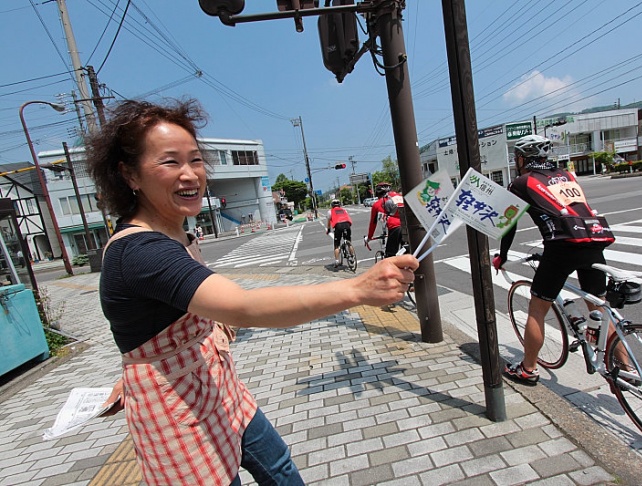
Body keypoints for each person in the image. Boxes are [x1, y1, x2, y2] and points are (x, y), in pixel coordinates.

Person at [87, 98, 418, 486]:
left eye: (195, 160)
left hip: (216, 384)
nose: (190, 174)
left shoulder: (175, 231)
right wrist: (358, 288)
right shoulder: (139, 250)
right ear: (129, 175)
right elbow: (243, 306)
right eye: (170, 162)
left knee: (278, 466)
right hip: (176, 413)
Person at [492, 134, 615, 386]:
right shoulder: (566, 175)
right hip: (594, 239)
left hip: (561, 247)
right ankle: (625, 369)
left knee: (538, 309)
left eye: (517, 157)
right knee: (600, 307)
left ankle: (528, 370)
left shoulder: (522, 181)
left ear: (522, 158)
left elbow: (509, 223)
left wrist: (502, 256)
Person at [366, 182, 405, 257]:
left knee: (390, 256)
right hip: (408, 226)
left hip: (395, 228)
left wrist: (370, 236)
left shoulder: (377, 204)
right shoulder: (400, 197)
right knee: (407, 250)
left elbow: (373, 223)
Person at [325, 199, 353, 267]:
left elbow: (329, 222)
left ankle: (337, 261)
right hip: (347, 224)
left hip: (338, 226)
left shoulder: (330, 211)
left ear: (332, 205)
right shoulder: (344, 210)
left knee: (336, 245)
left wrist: (328, 229)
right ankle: (352, 257)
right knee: (349, 242)